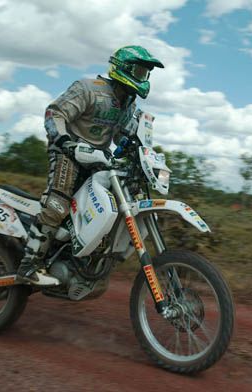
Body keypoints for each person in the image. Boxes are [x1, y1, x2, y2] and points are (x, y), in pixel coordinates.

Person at [17, 45, 164, 284]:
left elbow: (124, 136)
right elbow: (54, 113)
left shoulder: (128, 105)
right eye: (139, 72)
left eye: (145, 74)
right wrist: (64, 140)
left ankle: (80, 259)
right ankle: (29, 264)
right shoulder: (88, 89)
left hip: (98, 158)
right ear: (123, 68)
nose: (142, 78)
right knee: (57, 205)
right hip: (69, 151)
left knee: (110, 207)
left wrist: (139, 153)